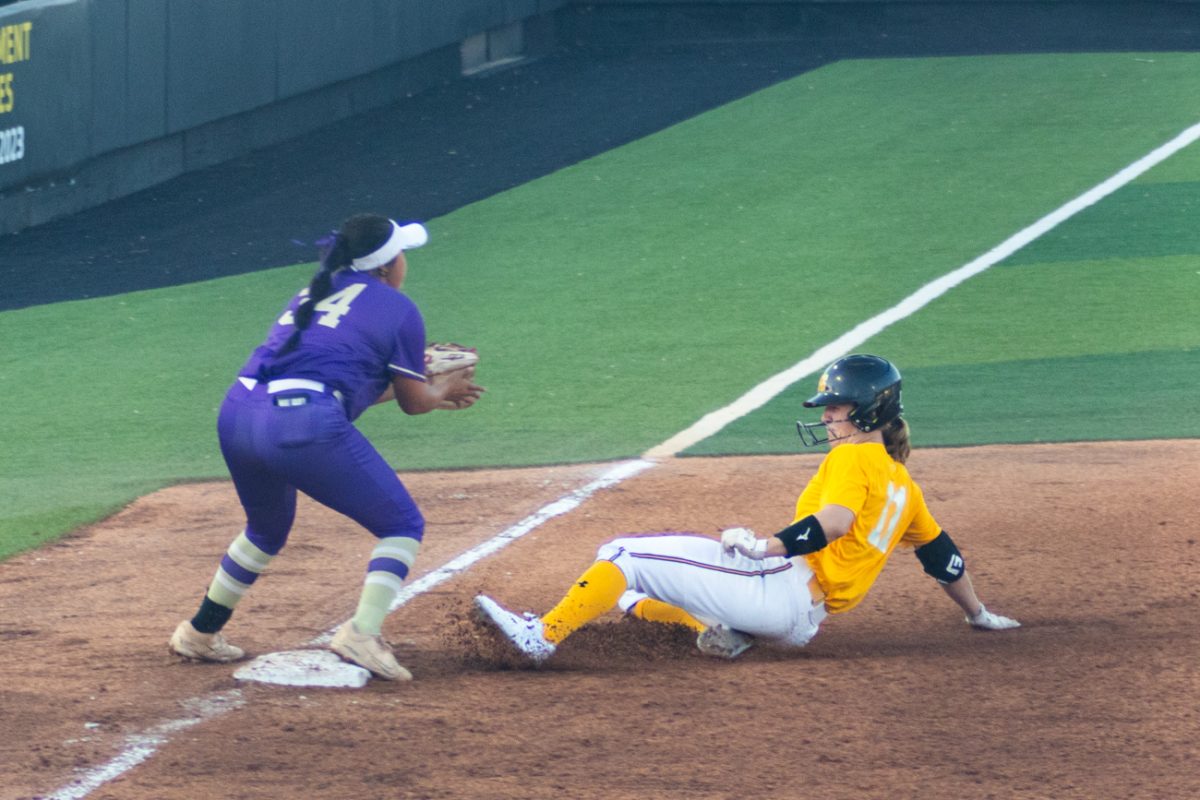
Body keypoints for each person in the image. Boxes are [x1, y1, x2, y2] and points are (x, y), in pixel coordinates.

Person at [474, 353, 1017, 663]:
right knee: (629, 592)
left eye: (835, 407)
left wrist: (765, 546)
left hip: (779, 586)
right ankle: (720, 633)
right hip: (801, 620)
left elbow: (834, 524)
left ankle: (538, 639)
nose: (827, 417)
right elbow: (942, 557)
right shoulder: (905, 486)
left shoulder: (855, 461)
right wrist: (978, 613)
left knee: (620, 555)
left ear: (869, 410)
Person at [169, 213, 484, 681]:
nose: (405, 262)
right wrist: (440, 390)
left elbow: (337, 381)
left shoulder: (314, 290)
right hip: (300, 424)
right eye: (401, 254)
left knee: (266, 528)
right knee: (401, 524)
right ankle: (361, 634)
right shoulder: (400, 309)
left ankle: (199, 632)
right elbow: (413, 404)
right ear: (385, 265)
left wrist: (420, 383)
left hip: (238, 414)